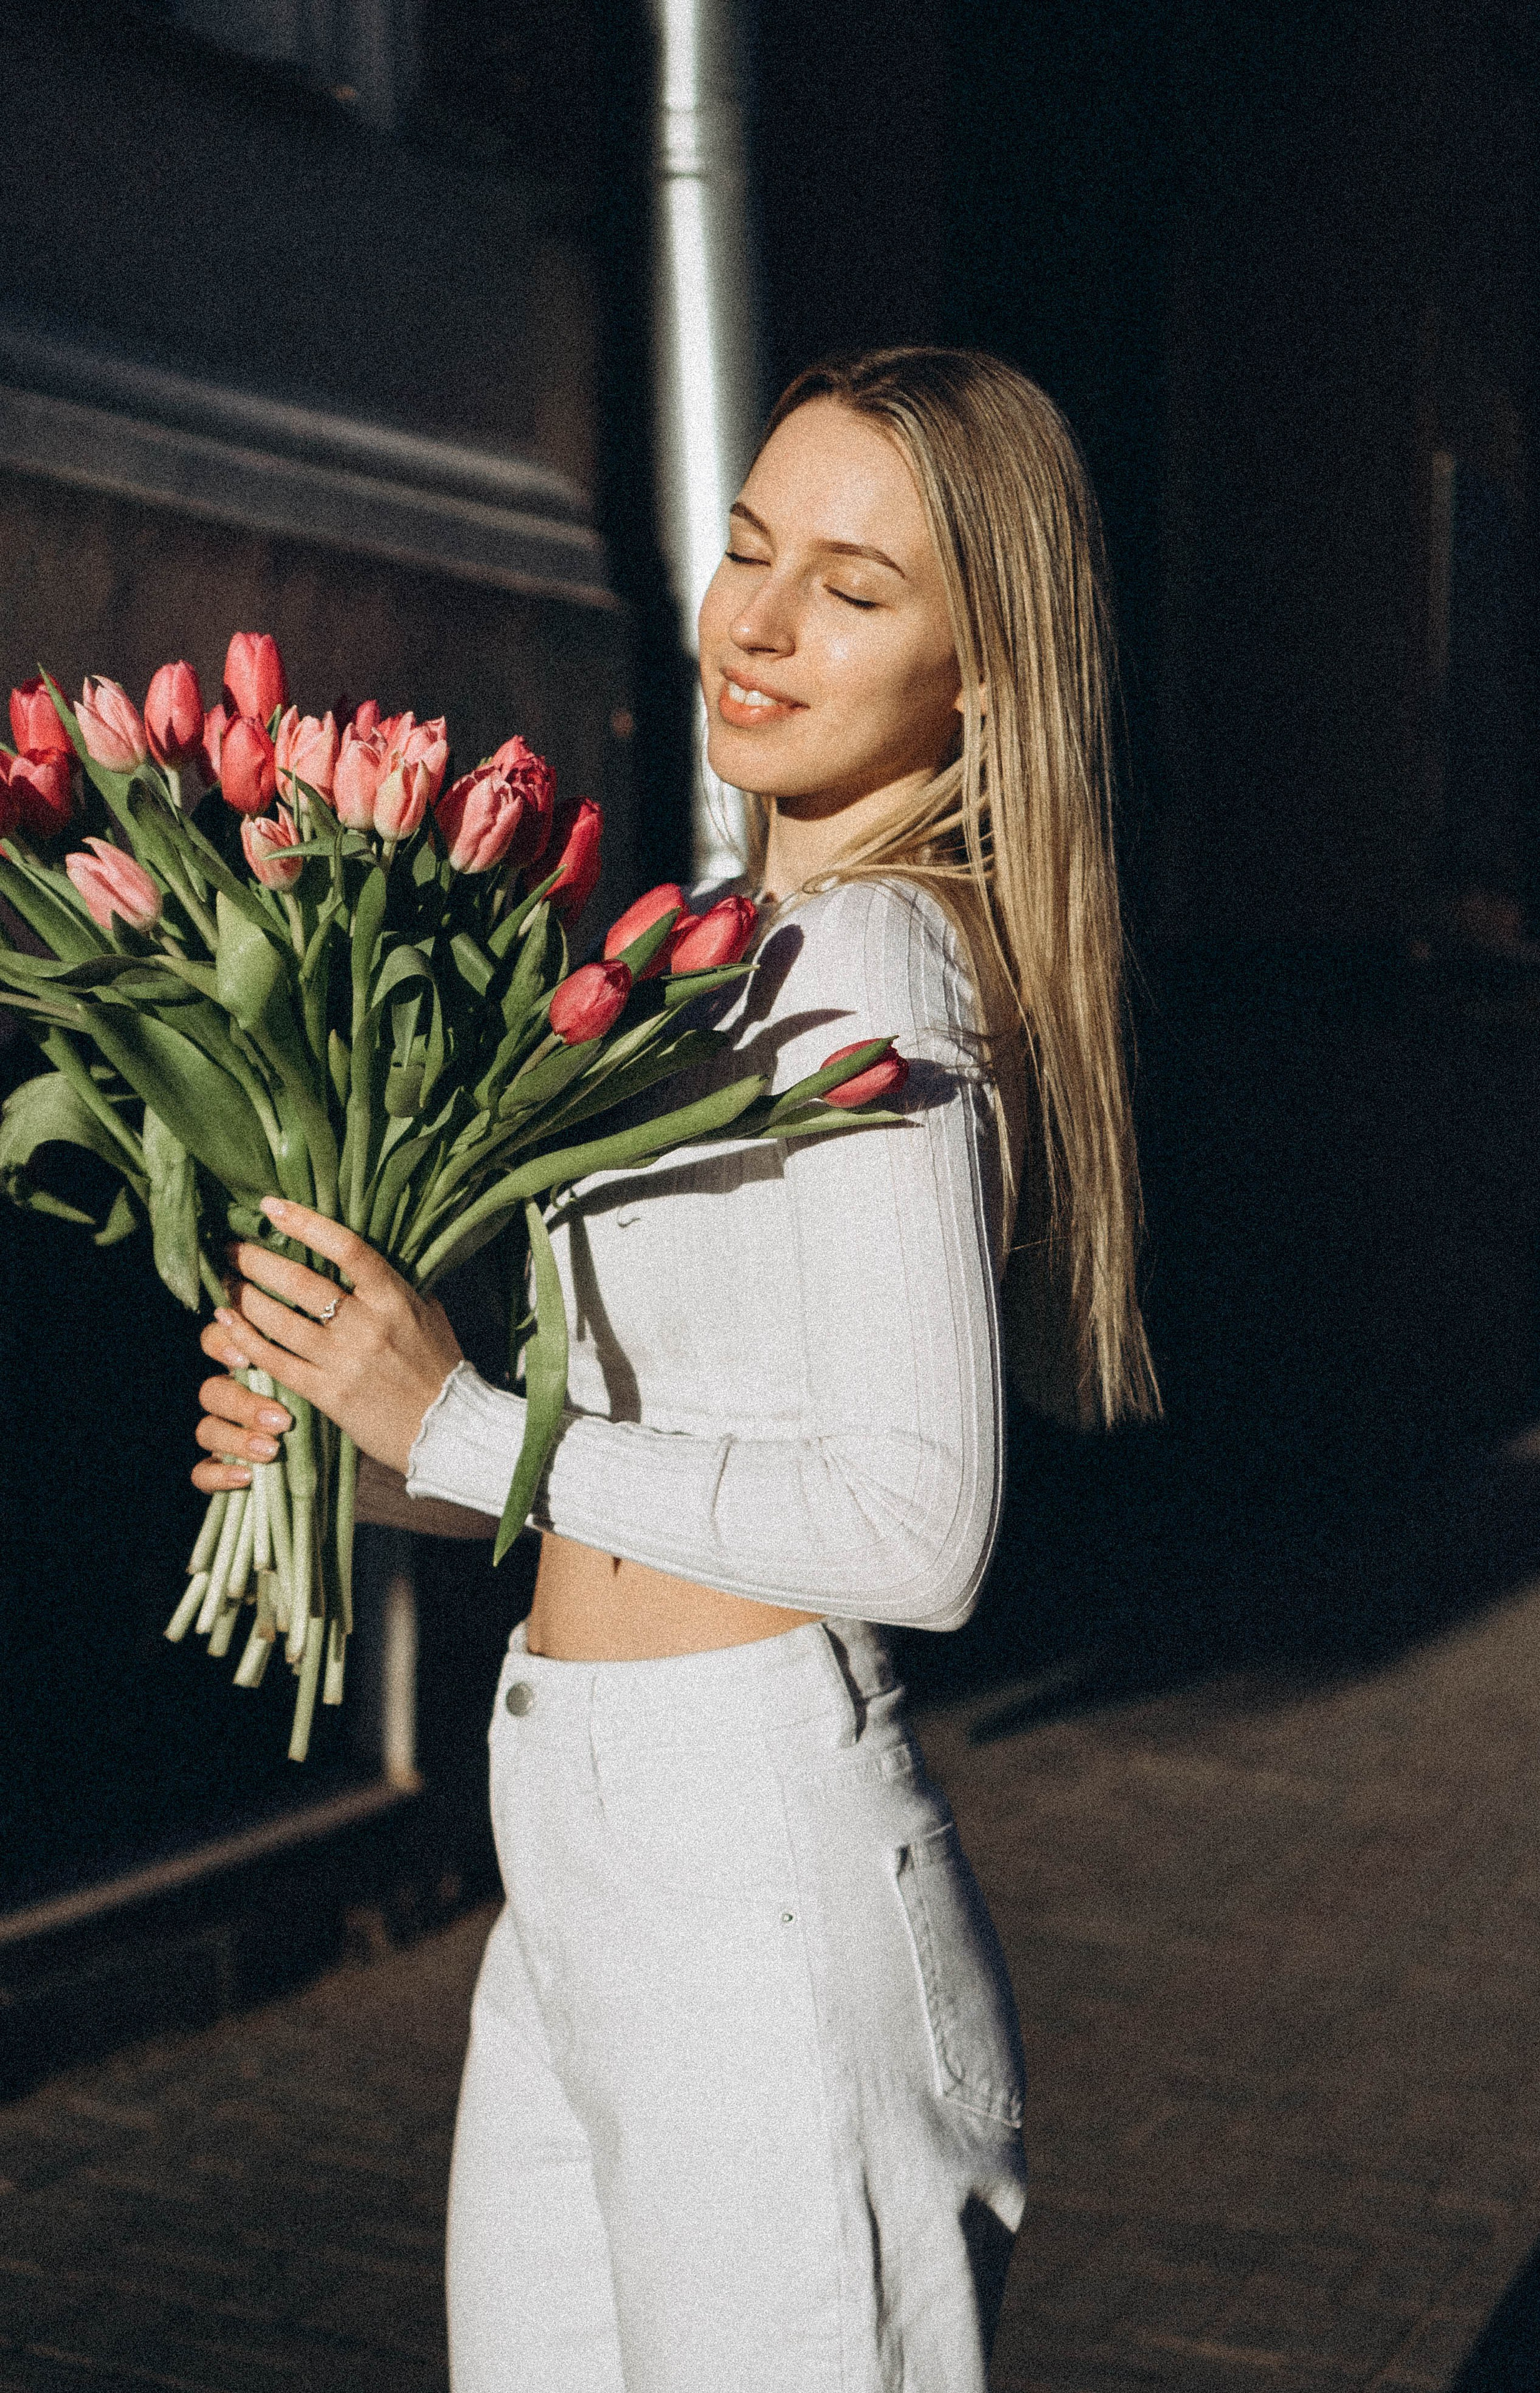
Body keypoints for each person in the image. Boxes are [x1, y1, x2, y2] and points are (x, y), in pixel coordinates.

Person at [190, 346, 1160, 2392]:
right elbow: (638, 1442)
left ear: (984, 671)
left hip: (752, 1873)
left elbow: (920, 1526)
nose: (762, 619)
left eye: (856, 585)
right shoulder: (733, 947)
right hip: (582, 1838)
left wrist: (450, 1414)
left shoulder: (879, 962)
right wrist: (353, 1444)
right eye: (745, 549)